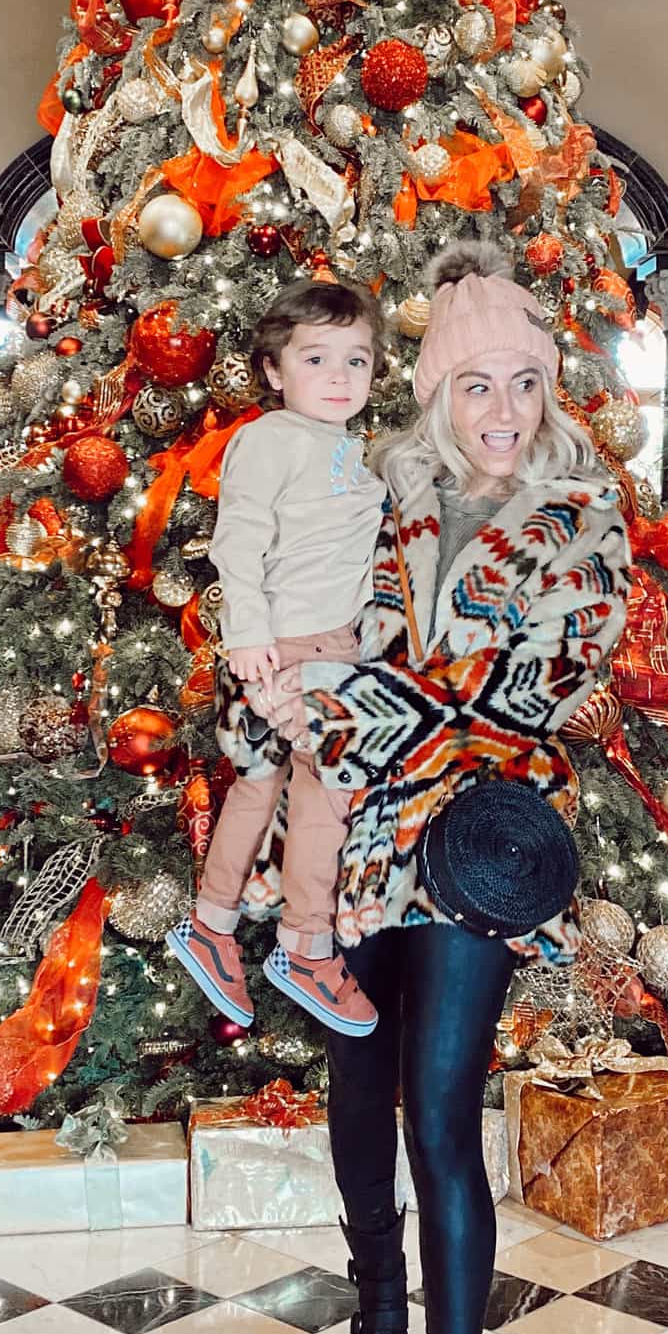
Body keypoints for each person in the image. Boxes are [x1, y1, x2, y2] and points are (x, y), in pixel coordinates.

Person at [264, 244, 631, 1334]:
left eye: (522, 383)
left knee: (441, 1108)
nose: (502, 410)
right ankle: (374, 1290)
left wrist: (369, 701)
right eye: (475, 385)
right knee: (358, 1080)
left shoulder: (585, 515)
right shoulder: (372, 494)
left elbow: (532, 691)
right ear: (435, 390)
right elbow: (321, 628)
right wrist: (335, 678)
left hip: (477, 851)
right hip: (357, 840)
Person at [168, 275, 388, 1041]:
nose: (337, 377)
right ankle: (305, 946)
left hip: (334, 644)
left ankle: (211, 923)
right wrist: (249, 636)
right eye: (316, 359)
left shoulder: (352, 448)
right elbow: (239, 539)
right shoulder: (267, 439)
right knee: (327, 791)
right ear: (273, 371)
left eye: (355, 361)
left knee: (259, 784)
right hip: (292, 644)